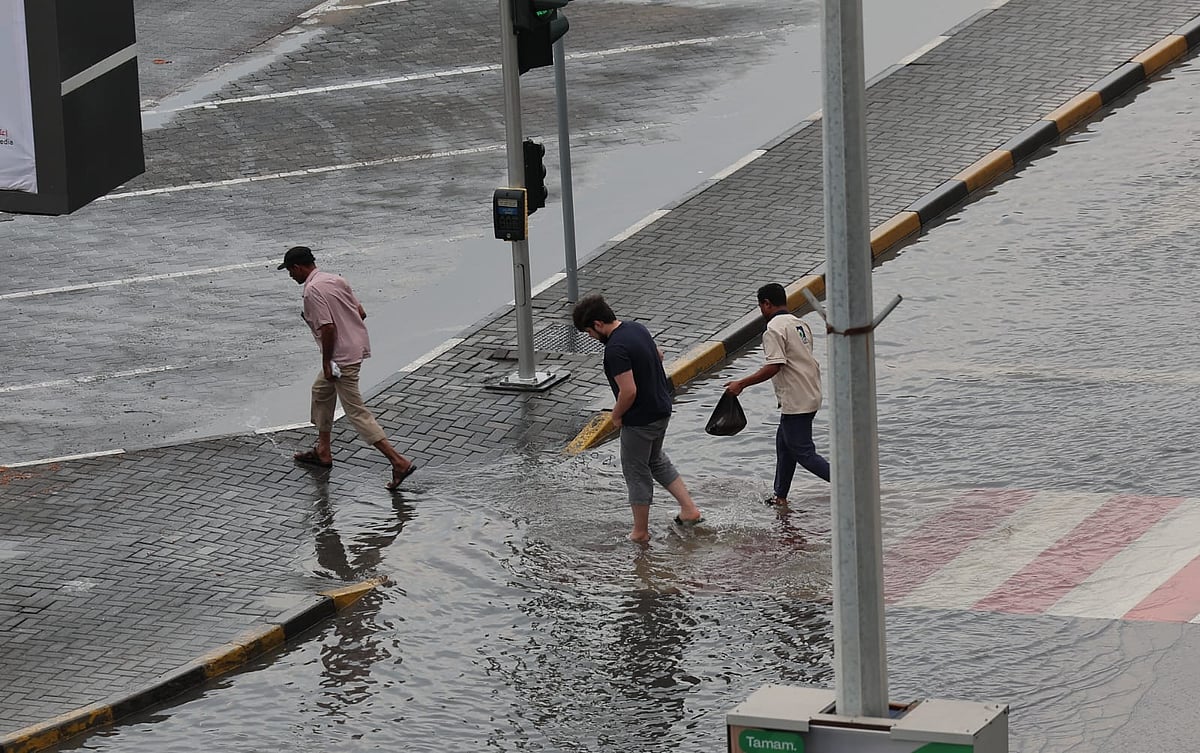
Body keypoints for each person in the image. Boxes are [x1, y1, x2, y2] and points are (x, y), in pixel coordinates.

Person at [278, 245, 417, 490]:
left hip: (340, 358)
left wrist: (328, 362)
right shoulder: (336, 280)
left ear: (298, 267)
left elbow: (328, 328)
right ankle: (323, 450)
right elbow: (360, 313)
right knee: (320, 391)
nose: (290, 276)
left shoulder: (311, 291)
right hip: (354, 348)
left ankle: (398, 462)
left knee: (356, 411)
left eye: (290, 271)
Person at [573, 293, 703, 542]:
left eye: (589, 332)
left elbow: (629, 391)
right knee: (655, 460)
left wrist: (616, 415)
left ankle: (640, 532)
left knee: (635, 472)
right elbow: (659, 355)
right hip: (661, 408)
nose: (591, 337)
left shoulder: (615, 349)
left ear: (598, 324)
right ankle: (689, 509)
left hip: (641, 418)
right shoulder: (636, 328)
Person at [725, 283, 829, 505]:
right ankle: (780, 497)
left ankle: (848, 484)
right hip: (810, 391)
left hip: (796, 398)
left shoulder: (773, 329)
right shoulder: (799, 323)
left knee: (803, 452)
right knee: (784, 445)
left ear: (766, 304)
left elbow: (775, 365)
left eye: (761, 306)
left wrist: (741, 384)